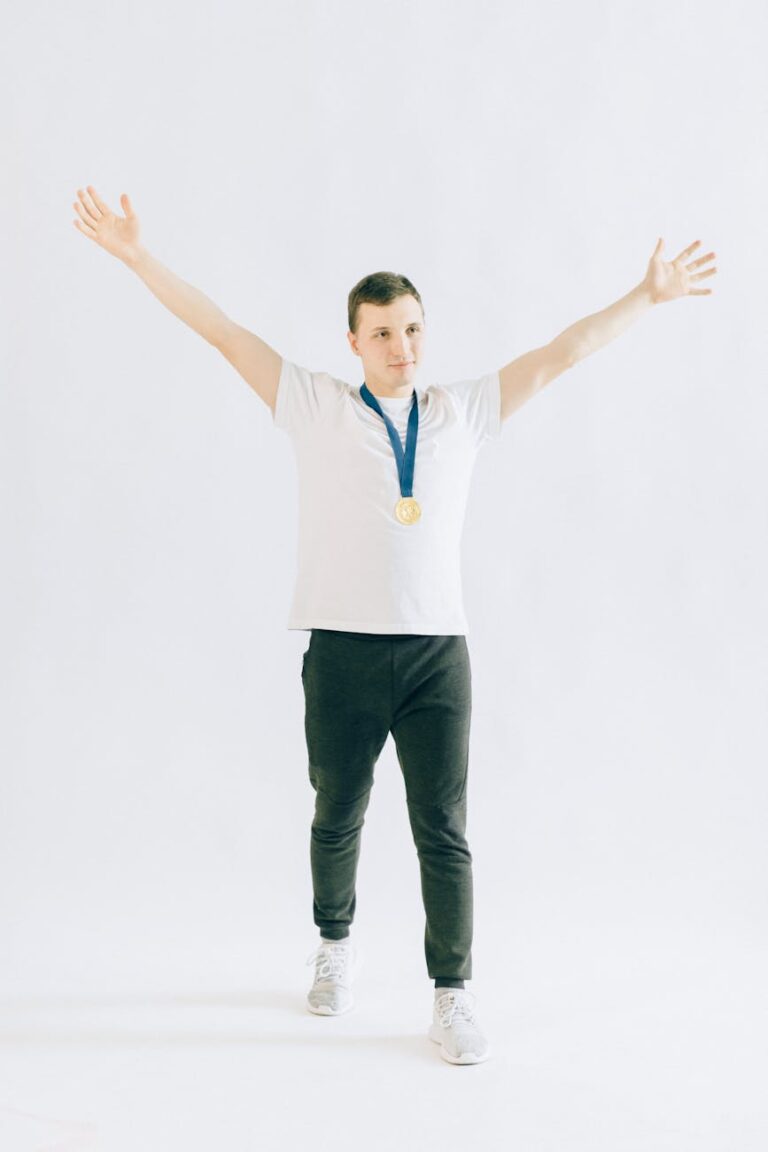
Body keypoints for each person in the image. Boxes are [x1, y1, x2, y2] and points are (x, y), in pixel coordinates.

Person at [72, 185, 717, 1065]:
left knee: (441, 829)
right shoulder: (315, 404)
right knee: (337, 812)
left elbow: (563, 353)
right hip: (339, 650)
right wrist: (138, 256)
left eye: (412, 329)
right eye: (381, 332)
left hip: (434, 658)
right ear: (353, 341)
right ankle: (334, 948)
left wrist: (648, 294)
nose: (401, 346)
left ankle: (452, 997)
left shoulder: (462, 413)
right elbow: (220, 329)